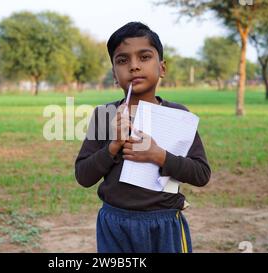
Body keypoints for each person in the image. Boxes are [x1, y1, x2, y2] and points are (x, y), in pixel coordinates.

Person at [74, 22, 211, 253]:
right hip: (115, 224)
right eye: (122, 60)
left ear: (162, 68)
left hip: (165, 223)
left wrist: (159, 156)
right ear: (114, 75)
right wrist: (113, 145)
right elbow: (83, 176)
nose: (134, 66)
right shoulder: (105, 115)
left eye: (144, 57)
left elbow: (201, 174)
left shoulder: (178, 116)